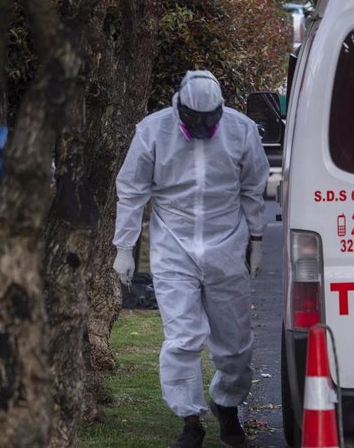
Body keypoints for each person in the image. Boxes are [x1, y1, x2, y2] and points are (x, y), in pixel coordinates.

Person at [112, 70, 269, 448]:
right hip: (174, 246)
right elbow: (131, 190)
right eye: (192, 120)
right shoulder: (153, 131)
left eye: (207, 120)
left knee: (235, 344)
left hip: (227, 243)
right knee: (182, 338)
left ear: (220, 110)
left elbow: (253, 188)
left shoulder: (241, 130)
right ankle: (190, 419)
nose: (199, 127)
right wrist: (124, 247)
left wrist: (257, 239)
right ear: (178, 107)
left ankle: (226, 405)